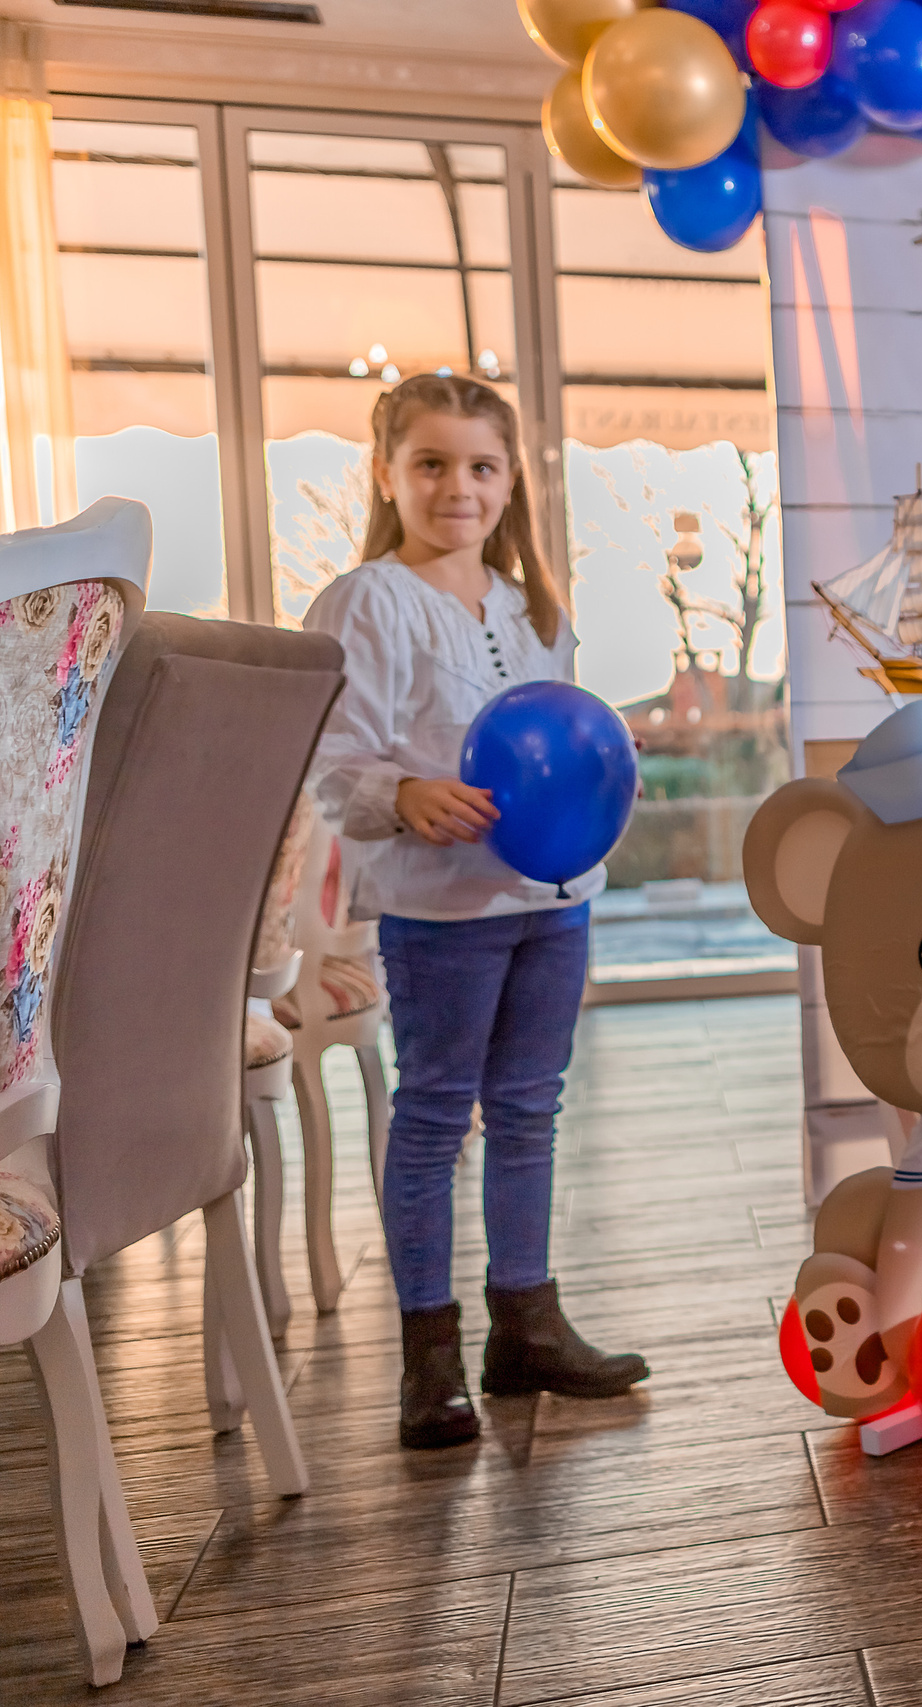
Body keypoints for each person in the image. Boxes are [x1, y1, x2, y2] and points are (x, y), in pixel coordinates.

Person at [306, 376, 647, 1452]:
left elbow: (565, 737)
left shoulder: (532, 609)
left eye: (481, 466)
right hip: (440, 911)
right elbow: (327, 759)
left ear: (510, 483)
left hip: (555, 899)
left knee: (530, 1109)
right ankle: (429, 1359)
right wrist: (404, 793)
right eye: (432, 464)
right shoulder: (366, 601)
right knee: (434, 1117)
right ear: (387, 474)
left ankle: (526, 1329)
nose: (459, 486)